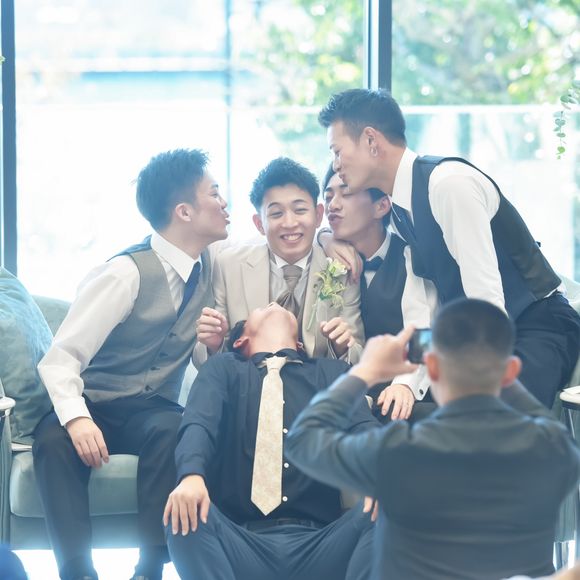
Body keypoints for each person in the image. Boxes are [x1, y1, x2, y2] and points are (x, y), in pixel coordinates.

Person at [33, 149, 229, 580]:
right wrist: (77, 420)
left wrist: (213, 346)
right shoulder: (124, 274)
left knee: (175, 429)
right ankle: (77, 571)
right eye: (215, 193)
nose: (224, 202)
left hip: (152, 407)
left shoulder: (211, 262)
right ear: (184, 212)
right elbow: (61, 359)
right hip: (95, 402)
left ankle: (149, 569)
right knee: (52, 441)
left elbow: (273, 239)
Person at [318, 88, 580, 407]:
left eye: (337, 151)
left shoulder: (449, 185)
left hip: (537, 326)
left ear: (371, 140)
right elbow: (422, 312)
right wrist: (406, 384)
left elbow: (486, 298)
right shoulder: (399, 211)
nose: (335, 165)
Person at [286, 298, 580, 580]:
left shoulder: (398, 451)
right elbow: (536, 415)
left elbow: (303, 440)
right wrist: (495, 369)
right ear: (511, 371)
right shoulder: (553, 446)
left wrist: (366, 371)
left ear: (433, 368)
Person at [164, 303, 379, 580]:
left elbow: (362, 427)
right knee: (184, 514)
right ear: (240, 341)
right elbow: (199, 422)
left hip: (323, 544)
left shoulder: (331, 372)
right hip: (240, 542)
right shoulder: (223, 369)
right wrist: (191, 476)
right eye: (262, 308)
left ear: (299, 344)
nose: (275, 304)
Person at [197, 156, 365, 363]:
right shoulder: (229, 265)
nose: (290, 223)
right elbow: (207, 361)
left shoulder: (342, 268)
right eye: (276, 214)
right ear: (259, 224)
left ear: (318, 215)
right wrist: (213, 346)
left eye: (300, 210)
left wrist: (342, 348)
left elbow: (358, 356)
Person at [322, 164, 432, 421]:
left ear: (381, 206)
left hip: (403, 396)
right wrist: (323, 236)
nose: (332, 205)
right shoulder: (325, 260)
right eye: (327, 196)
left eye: (346, 193)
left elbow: (423, 329)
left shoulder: (410, 257)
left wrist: (405, 384)